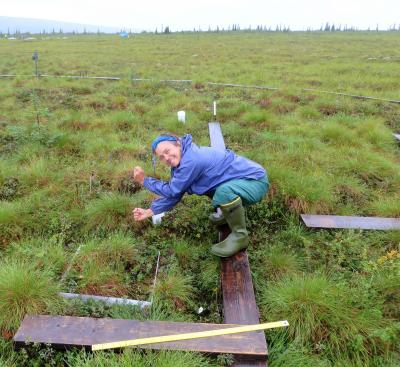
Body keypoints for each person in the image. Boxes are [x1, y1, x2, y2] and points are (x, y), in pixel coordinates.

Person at [132, 133, 269, 257]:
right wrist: (150, 211)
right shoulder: (184, 158)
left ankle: (240, 236)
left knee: (223, 192)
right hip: (243, 181)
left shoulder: (191, 161)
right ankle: (229, 215)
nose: (166, 158)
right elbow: (177, 192)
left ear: (178, 143)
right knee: (213, 186)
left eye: (167, 151)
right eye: (162, 157)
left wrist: (145, 180)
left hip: (255, 182)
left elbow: (173, 190)